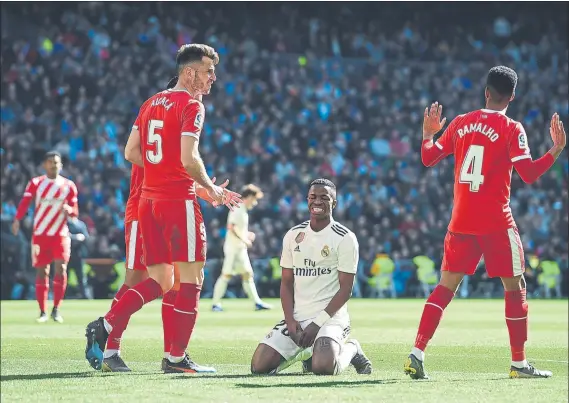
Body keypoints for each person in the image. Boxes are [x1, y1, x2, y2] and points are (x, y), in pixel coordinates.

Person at [84, 44, 241, 373]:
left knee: (161, 279)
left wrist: (166, 173)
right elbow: (188, 158)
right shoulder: (191, 106)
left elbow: (131, 151)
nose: (214, 78)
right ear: (189, 73)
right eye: (208, 71)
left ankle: (113, 334)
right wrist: (208, 188)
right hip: (175, 201)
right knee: (191, 278)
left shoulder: (150, 103)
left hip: (147, 202)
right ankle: (166, 354)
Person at [404, 66, 566, 380]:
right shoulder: (512, 128)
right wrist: (556, 150)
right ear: (513, 96)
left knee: (444, 288)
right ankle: (519, 364)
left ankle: (417, 352)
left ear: (486, 91)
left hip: (461, 222)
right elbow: (529, 175)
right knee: (515, 287)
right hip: (496, 223)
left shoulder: (462, 122)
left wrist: (427, 134)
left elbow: (428, 158)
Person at [251, 179, 372, 376]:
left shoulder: (344, 238)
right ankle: (306, 352)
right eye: (313, 197)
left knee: (323, 368)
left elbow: (346, 289)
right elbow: (287, 283)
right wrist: (290, 321)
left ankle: (352, 349)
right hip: (299, 318)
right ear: (307, 200)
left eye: (324, 198)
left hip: (330, 319)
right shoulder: (294, 235)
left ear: (334, 203)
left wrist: (317, 325)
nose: (317, 202)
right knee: (259, 367)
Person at [13, 151, 79, 323]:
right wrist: (17, 220)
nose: (53, 165)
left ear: (61, 165)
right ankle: (42, 311)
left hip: (60, 234)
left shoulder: (68, 185)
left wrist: (69, 210)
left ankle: (56, 309)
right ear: (44, 165)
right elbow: (25, 203)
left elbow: (75, 212)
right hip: (40, 234)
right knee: (42, 272)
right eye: (50, 162)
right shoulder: (36, 183)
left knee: (61, 268)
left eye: (56, 162)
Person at [212, 184, 272, 311]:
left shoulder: (242, 210)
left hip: (239, 249)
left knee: (247, 274)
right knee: (226, 275)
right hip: (233, 249)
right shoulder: (238, 208)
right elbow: (231, 227)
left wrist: (247, 235)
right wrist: (244, 239)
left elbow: (236, 228)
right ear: (249, 197)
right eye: (254, 199)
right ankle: (215, 304)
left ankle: (257, 302)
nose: (255, 203)